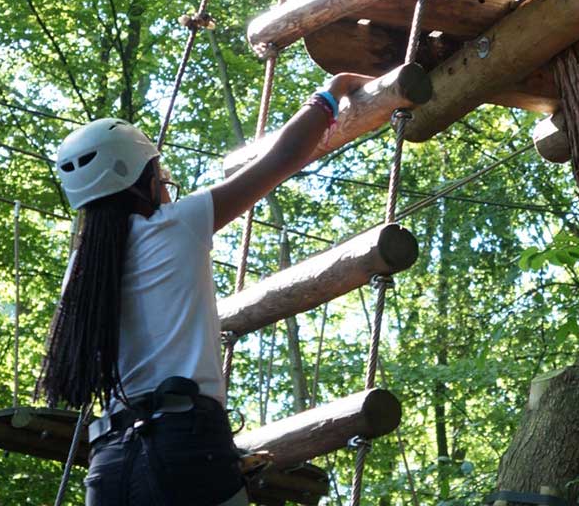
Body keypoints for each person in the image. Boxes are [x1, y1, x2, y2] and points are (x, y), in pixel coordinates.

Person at [39, 73, 371, 505]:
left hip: (109, 464)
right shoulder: (175, 225)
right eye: (157, 173)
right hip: (186, 446)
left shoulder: (82, 273)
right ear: (139, 181)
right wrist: (333, 91)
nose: (165, 182)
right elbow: (283, 157)